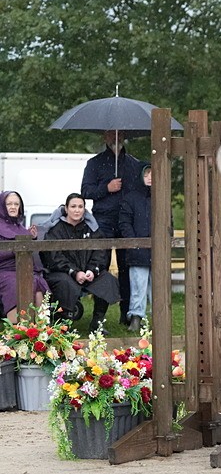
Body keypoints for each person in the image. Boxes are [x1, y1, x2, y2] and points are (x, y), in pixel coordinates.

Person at [80, 130, 142, 326]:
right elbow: (85, 191)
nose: (116, 138)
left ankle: (127, 315)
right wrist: (106, 188)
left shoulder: (134, 164)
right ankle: (98, 318)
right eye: (111, 134)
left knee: (127, 267)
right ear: (104, 137)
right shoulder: (94, 163)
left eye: (120, 134)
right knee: (101, 267)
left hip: (127, 222)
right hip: (103, 221)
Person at [39, 193, 121, 334]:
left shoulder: (92, 229)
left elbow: (100, 253)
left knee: (107, 280)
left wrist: (92, 270)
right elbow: (54, 258)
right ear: (66, 208)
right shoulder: (56, 230)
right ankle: (64, 323)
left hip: (87, 273)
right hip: (62, 273)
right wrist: (74, 272)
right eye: (73, 206)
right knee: (65, 283)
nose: (77, 210)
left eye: (80, 207)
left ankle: (97, 323)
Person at [0, 191, 50, 320]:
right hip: (4, 271)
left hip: (23, 269)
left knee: (37, 284)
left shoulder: (20, 228)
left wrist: (31, 238)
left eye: (16, 204)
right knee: (15, 285)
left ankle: (40, 327)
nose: (13, 207)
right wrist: (16, 249)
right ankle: (16, 328)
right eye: (9, 204)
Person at [118, 163, 154, 334]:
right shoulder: (130, 198)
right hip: (137, 250)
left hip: (158, 250)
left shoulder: (162, 197)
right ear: (140, 176)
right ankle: (136, 318)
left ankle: (159, 319)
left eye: (153, 174)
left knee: (159, 288)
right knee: (138, 286)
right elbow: (124, 223)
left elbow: (168, 222)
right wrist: (134, 243)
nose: (150, 177)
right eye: (146, 174)